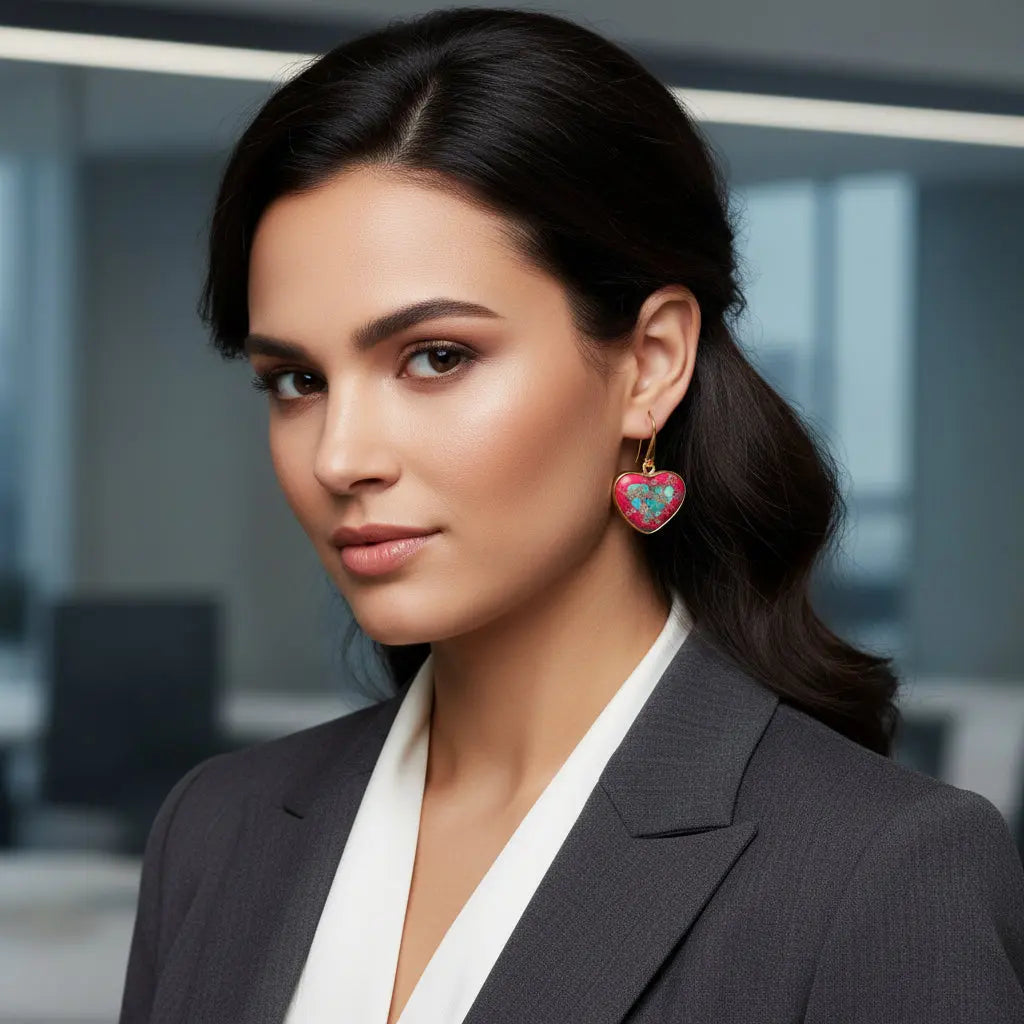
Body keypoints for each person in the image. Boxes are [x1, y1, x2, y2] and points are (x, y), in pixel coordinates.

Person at [117, 7, 1024, 1023]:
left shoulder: (878, 872)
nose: (340, 456)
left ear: (649, 366)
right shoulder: (216, 830)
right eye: (294, 380)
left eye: (436, 357)